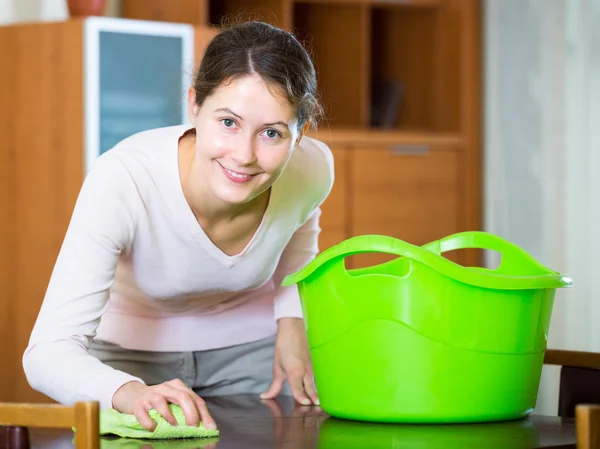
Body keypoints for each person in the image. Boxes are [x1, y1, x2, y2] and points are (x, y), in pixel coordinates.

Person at [22, 20, 333, 432]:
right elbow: (46, 354)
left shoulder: (311, 170)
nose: (243, 155)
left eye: (272, 133)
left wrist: (292, 324)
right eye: (228, 122)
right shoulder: (125, 178)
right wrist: (129, 391)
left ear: (299, 135)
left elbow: (297, 241)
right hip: (127, 357)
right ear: (194, 105)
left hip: (253, 357)